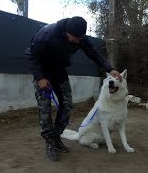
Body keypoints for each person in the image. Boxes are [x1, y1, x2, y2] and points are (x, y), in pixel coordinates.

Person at [27, 16, 122, 161]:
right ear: (67, 32)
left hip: (59, 72)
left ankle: (57, 137)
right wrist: (40, 78)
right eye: (75, 38)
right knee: (45, 109)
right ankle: (49, 142)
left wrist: (109, 68)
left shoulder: (79, 37)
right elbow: (32, 56)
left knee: (67, 105)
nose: (78, 41)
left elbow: (93, 54)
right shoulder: (47, 35)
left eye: (80, 38)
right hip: (42, 73)